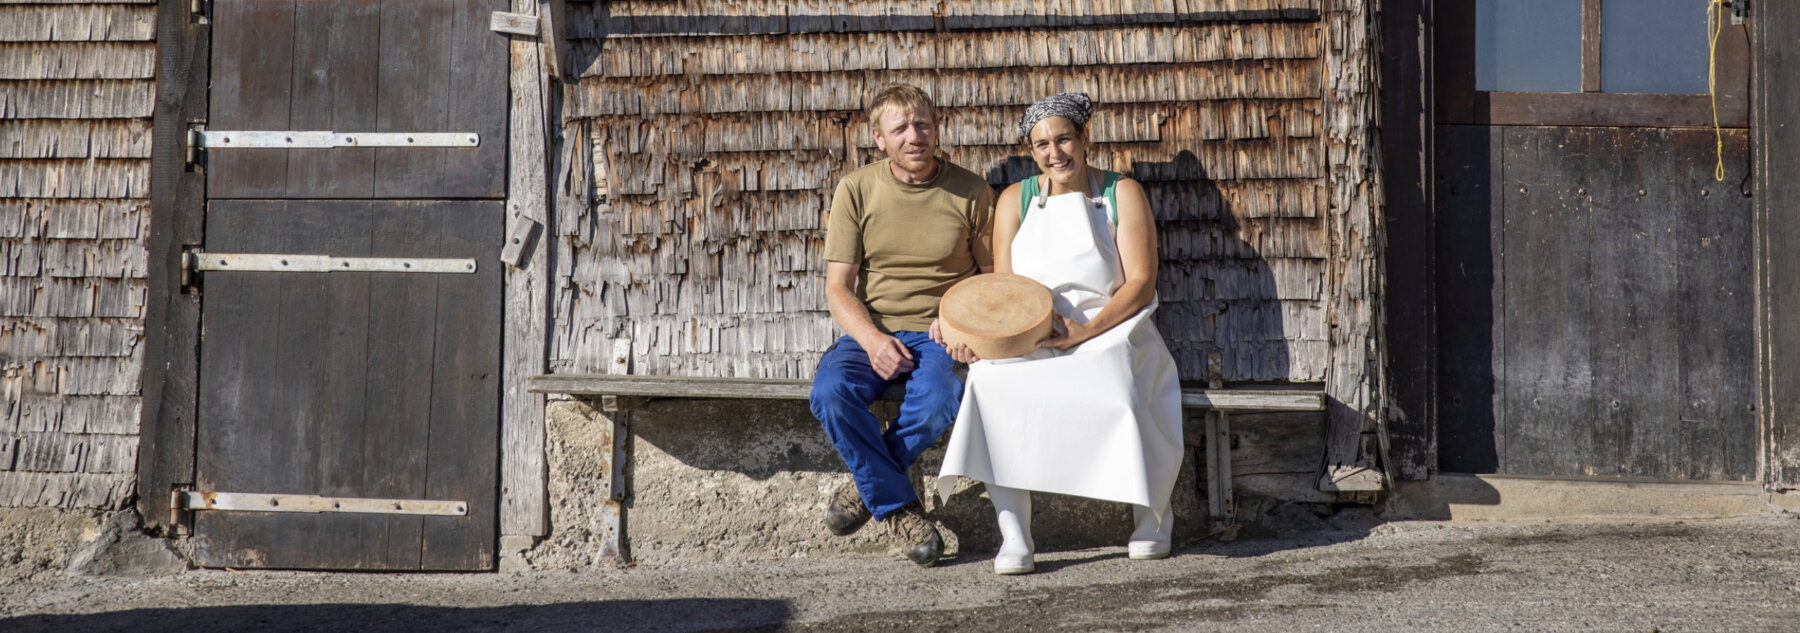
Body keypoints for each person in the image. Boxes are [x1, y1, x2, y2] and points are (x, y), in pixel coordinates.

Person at [933, 92, 1185, 575]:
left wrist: (1085, 330)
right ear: (1033, 152)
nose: (1055, 153)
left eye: (1064, 139)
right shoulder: (1016, 200)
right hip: (1033, 331)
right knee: (989, 384)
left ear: (1084, 138)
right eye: (1042, 145)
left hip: (1112, 329)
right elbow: (1004, 294)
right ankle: (1015, 536)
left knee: (1125, 392)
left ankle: (1153, 516)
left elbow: (1140, 282)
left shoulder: (1120, 193)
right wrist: (982, 340)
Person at [809, 83, 995, 567]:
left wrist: (957, 320)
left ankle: (867, 488)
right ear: (880, 139)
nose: (915, 136)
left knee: (939, 400)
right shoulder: (857, 189)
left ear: (937, 127)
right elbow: (838, 288)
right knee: (830, 392)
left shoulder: (971, 191)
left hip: (941, 333)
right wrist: (871, 340)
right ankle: (897, 507)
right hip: (874, 328)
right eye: (901, 128)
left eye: (923, 124)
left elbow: (992, 277)